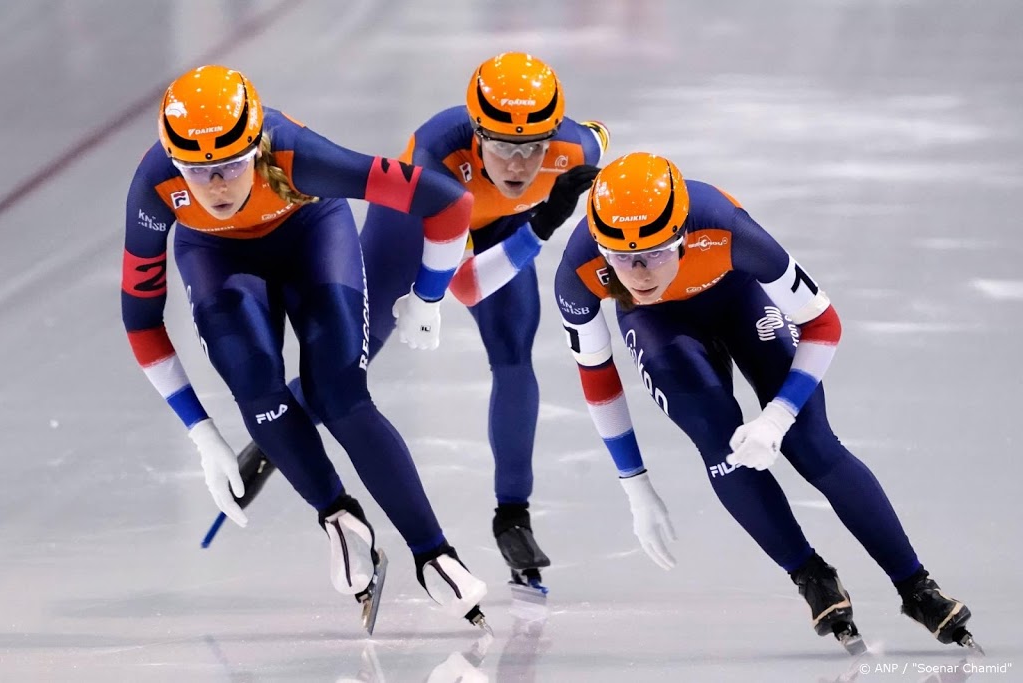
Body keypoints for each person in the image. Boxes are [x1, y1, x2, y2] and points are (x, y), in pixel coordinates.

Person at [553, 151, 978, 651]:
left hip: (736, 299)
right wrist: (634, 485)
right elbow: (598, 377)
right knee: (720, 444)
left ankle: (916, 587)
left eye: (655, 254)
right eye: (622, 259)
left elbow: (824, 324)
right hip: (659, 327)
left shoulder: (727, 228)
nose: (640, 274)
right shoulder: (579, 269)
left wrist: (778, 416)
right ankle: (811, 574)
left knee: (809, 441)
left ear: (685, 236)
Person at [120, 64, 488, 630]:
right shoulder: (154, 185)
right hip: (218, 256)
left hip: (310, 232)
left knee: (338, 391)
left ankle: (435, 553)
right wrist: (201, 432)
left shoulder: (296, 154)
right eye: (199, 170)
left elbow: (449, 204)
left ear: (257, 148)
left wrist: (429, 296)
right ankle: (338, 516)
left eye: (231, 166)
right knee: (253, 379)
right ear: (175, 161)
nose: (217, 186)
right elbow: (141, 321)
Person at [230, 52, 608, 591]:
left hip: (501, 227)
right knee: (352, 363)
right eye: (502, 147)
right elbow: (463, 278)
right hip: (418, 223)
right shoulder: (438, 151)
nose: (518, 167)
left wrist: (539, 218)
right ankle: (275, 436)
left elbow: (597, 138)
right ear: (477, 134)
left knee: (513, 353)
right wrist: (543, 224)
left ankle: (513, 517)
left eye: (532, 149)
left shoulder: (577, 150)